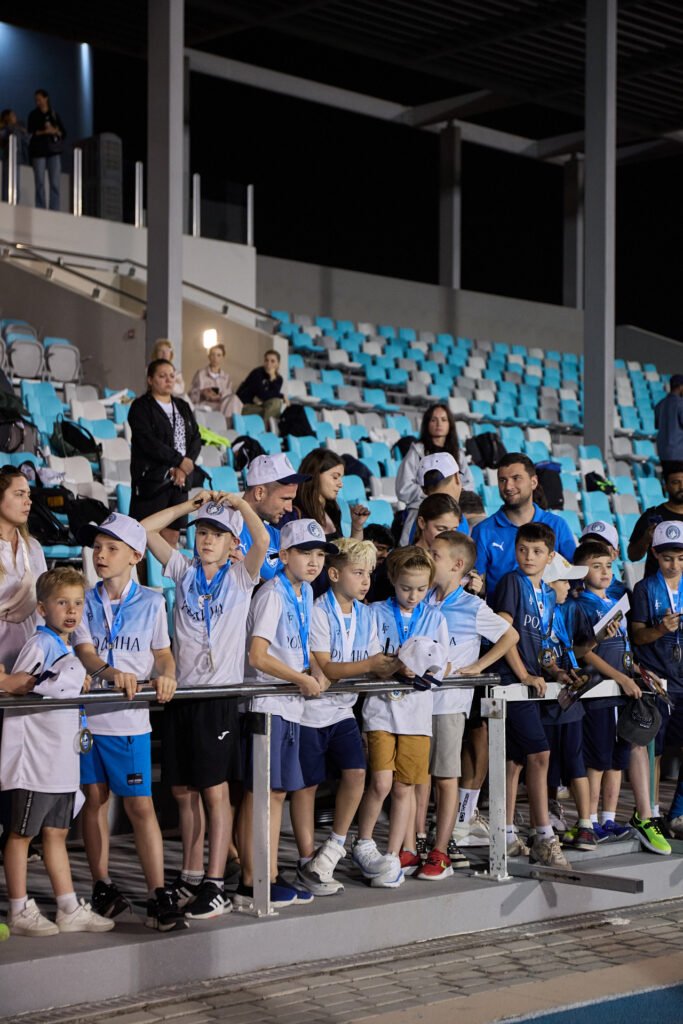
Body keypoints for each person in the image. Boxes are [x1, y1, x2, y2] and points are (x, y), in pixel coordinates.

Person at [141, 491, 268, 919]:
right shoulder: (183, 570)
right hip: (182, 694)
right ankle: (191, 874)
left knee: (215, 791)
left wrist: (240, 505)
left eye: (218, 533)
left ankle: (215, 882)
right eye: (203, 533)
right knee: (183, 791)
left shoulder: (241, 576)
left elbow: (263, 541)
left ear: (233, 542)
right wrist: (187, 508)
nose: (208, 539)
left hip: (217, 697)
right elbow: (143, 531)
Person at [73, 513, 186, 930]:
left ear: (136, 556)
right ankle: (101, 884)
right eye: (97, 547)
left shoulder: (153, 601)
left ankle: (157, 893)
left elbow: (162, 653)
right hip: (88, 720)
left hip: (129, 724)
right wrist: (110, 673)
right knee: (95, 800)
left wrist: (168, 673)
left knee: (140, 805)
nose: (100, 555)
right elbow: (85, 652)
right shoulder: (84, 600)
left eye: (111, 548)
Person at [0, 568, 115, 937]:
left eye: (77, 603)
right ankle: (19, 909)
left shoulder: (65, 647)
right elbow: (21, 688)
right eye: (62, 602)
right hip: (35, 760)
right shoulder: (40, 645)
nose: (71, 610)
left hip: (62, 760)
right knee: (21, 835)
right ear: (42, 609)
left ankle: (67, 907)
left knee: (56, 833)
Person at [236, 519, 337, 911]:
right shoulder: (272, 593)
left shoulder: (305, 591)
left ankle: (270, 872)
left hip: (289, 704)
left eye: (319, 554)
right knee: (261, 793)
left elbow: (299, 645)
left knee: (276, 793)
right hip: (266, 706)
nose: (314, 562)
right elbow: (257, 656)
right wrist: (300, 678)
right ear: (285, 555)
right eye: (305, 553)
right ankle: (252, 879)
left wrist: (315, 671)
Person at [294, 539, 399, 895]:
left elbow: (372, 665)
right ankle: (306, 859)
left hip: (342, 710)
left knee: (356, 775)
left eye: (369, 573)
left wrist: (400, 663)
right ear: (335, 574)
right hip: (309, 712)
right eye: (358, 573)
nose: (366, 581)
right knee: (306, 787)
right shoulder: (317, 610)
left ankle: (333, 849)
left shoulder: (367, 615)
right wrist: (369, 665)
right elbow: (327, 667)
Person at [415, 531, 516, 880]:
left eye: (435, 554)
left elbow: (510, 635)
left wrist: (479, 665)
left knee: (445, 777)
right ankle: (417, 842)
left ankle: (441, 849)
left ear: (458, 565)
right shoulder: (422, 598)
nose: (428, 558)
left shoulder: (472, 606)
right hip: (417, 704)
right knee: (418, 778)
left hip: (449, 704)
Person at [352, 546, 449, 888]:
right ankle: (364, 843)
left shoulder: (435, 617)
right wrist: (396, 665)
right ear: (392, 579)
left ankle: (394, 855)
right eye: (406, 587)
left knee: (405, 786)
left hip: (417, 715)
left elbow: (442, 661)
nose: (413, 595)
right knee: (381, 783)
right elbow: (368, 654)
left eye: (421, 589)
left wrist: (426, 670)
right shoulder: (375, 612)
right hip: (380, 709)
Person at [571, 540, 671, 854]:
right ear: (580, 571)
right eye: (595, 566)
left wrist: (638, 671)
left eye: (608, 566)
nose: (604, 572)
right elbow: (583, 652)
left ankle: (609, 818)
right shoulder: (581, 605)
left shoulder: (615, 602)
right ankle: (588, 822)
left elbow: (625, 649)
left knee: (617, 759)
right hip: (599, 694)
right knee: (598, 760)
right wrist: (621, 678)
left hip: (621, 692)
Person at [491, 522, 571, 867]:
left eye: (537, 551)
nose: (528, 556)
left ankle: (507, 833)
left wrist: (555, 671)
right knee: (540, 754)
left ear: (550, 557)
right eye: (523, 549)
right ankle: (543, 837)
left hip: (532, 684)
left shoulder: (548, 594)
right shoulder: (512, 582)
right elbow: (504, 631)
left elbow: (544, 644)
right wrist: (523, 673)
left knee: (516, 760)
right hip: (513, 681)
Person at [537, 554, 597, 852]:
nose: (569, 587)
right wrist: (555, 671)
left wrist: (598, 638)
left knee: (575, 762)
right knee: (545, 763)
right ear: (548, 584)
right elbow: (544, 657)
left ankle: (585, 824)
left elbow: (574, 650)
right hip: (546, 701)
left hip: (569, 700)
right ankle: (548, 818)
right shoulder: (540, 614)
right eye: (563, 581)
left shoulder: (562, 612)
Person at [631, 521, 683, 839]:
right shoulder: (645, 589)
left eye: (680, 558)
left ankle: (677, 813)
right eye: (667, 558)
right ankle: (651, 812)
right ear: (654, 555)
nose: (674, 564)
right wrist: (661, 629)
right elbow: (637, 636)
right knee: (656, 751)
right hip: (657, 680)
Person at [472, 452, 577, 601]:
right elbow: (478, 586)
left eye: (516, 478)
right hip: (500, 613)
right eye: (502, 480)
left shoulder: (558, 525)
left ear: (533, 482)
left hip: (551, 612)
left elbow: (572, 576)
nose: (508, 486)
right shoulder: (483, 531)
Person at [128, 359, 202, 549]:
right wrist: (178, 461)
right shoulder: (140, 407)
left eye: (171, 376)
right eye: (162, 376)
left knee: (172, 536)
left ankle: (166, 571)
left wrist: (184, 467)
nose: (168, 380)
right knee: (144, 539)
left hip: (179, 482)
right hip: (152, 481)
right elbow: (148, 442)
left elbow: (195, 437)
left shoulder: (182, 405)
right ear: (150, 380)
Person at [240, 453, 310, 579]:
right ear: (259, 493)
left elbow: (281, 588)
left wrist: (246, 571)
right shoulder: (221, 526)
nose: (289, 508)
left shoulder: (277, 537)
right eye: (285, 499)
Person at [396, 403, 475, 513]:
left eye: (443, 420)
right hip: (422, 507)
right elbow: (404, 488)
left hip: (454, 507)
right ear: (427, 424)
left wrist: (453, 496)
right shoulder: (416, 451)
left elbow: (468, 484)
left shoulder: (458, 453)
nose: (439, 424)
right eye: (434, 420)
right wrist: (432, 495)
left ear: (450, 424)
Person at [398, 452, 469, 546]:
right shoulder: (456, 519)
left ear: (424, 489)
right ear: (457, 478)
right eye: (441, 529)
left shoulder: (420, 517)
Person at [627, 462, 683, 575]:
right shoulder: (652, 516)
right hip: (656, 583)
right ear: (665, 486)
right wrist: (646, 539)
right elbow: (632, 556)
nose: (682, 487)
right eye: (675, 482)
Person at [27, 89, 65, 212]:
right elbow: (31, 132)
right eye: (36, 100)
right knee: (39, 181)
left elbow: (63, 133)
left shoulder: (54, 114)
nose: (38, 102)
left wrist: (54, 131)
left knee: (55, 182)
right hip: (38, 151)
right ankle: (40, 207)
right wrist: (44, 131)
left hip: (53, 151)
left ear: (46, 98)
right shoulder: (33, 115)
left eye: (39, 99)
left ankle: (54, 209)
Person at [190, 343, 243, 421]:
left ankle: (230, 423)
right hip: (206, 406)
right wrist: (203, 393)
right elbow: (192, 394)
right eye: (213, 355)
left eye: (218, 355)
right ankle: (227, 423)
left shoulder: (226, 377)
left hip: (223, 406)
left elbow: (228, 394)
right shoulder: (201, 374)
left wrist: (220, 396)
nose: (215, 358)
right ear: (209, 357)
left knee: (235, 399)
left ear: (223, 357)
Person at [237, 350, 285, 424]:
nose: (269, 363)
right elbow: (263, 395)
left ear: (278, 364)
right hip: (245, 406)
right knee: (275, 410)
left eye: (272, 361)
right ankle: (266, 428)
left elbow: (272, 395)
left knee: (276, 403)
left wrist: (272, 378)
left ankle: (266, 428)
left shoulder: (279, 379)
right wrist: (282, 395)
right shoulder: (257, 373)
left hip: (262, 406)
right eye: (266, 360)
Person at [580, 521, 626, 599]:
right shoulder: (569, 586)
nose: (594, 551)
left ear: (615, 554)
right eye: (589, 546)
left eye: (601, 547)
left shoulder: (622, 594)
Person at [655, 374, 683, 475]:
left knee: (669, 481)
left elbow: (657, 425)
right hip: (678, 454)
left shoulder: (660, 404)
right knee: (678, 482)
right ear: (681, 387)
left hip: (663, 453)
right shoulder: (681, 404)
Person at [0, 109, 30, 202]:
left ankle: (15, 202)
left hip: (17, 158)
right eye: (12, 115)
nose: (15, 117)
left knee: (16, 182)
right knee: (6, 182)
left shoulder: (18, 128)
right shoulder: (5, 128)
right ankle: (6, 202)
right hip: (8, 158)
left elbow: (27, 139)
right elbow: (2, 136)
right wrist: (9, 127)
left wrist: (22, 131)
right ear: (7, 117)